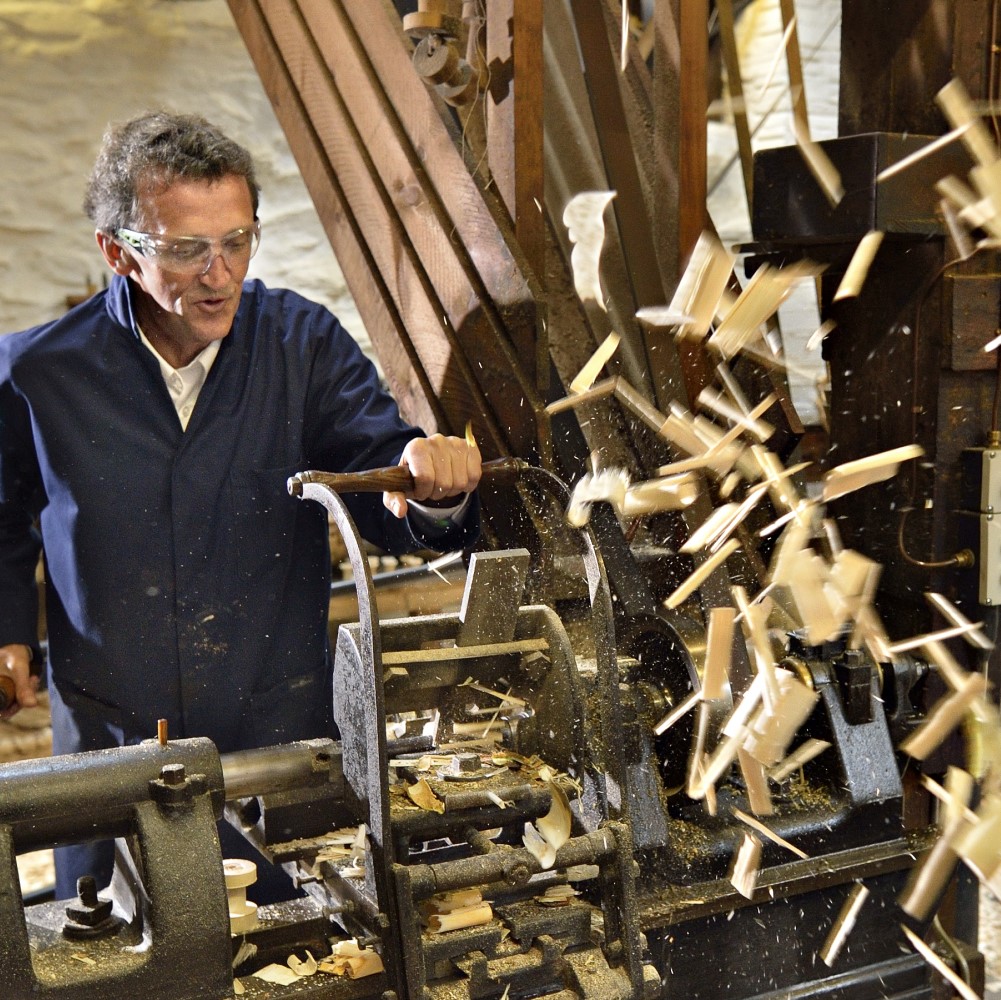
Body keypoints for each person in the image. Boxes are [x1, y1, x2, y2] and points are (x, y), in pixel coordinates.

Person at [0, 111, 482, 899]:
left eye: (237, 240)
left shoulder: (305, 345)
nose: (219, 274)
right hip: (110, 743)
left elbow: (379, 477)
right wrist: (7, 631)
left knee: (307, 953)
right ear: (117, 252)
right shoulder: (36, 373)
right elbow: (1, 517)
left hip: (278, 732)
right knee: (113, 955)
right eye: (187, 250)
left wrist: (430, 483)